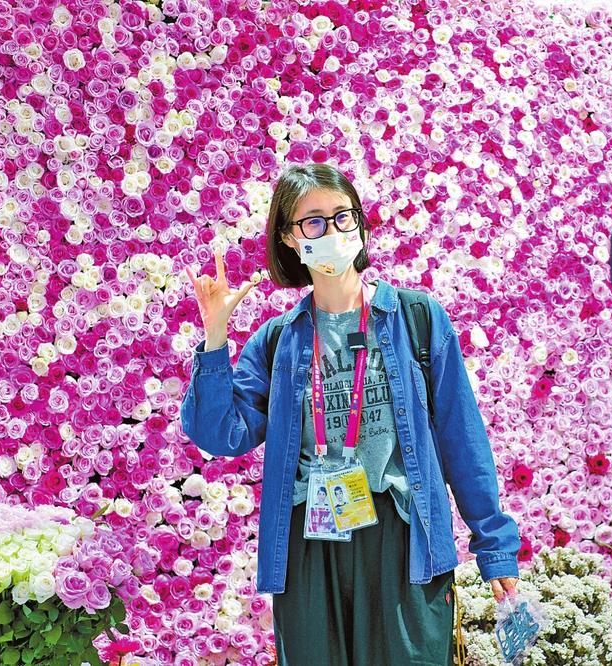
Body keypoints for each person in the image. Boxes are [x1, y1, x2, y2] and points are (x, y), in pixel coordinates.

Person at [181, 163, 519, 665]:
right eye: (313, 222)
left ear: (359, 222)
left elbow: (461, 438)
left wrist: (494, 547)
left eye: (342, 216)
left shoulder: (416, 318)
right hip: (309, 542)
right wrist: (215, 336)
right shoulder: (278, 341)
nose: (332, 231)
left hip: (400, 536)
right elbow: (221, 433)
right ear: (289, 238)